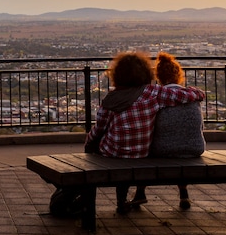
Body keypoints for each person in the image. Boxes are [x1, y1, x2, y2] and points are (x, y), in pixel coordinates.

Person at [84, 51, 205, 213]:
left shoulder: (111, 98)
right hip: (141, 152)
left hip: (112, 152)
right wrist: (198, 92)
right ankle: (130, 198)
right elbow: (185, 95)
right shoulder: (152, 93)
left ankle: (121, 201)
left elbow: (98, 129)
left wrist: (88, 145)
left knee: (105, 144)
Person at [129, 52, 206, 210]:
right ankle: (183, 192)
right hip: (195, 148)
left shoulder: (157, 96)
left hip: (163, 150)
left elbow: (148, 126)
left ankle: (140, 192)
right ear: (179, 75)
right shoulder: (192, 96)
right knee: (179, 144)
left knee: (147, 148)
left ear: (159, 76)